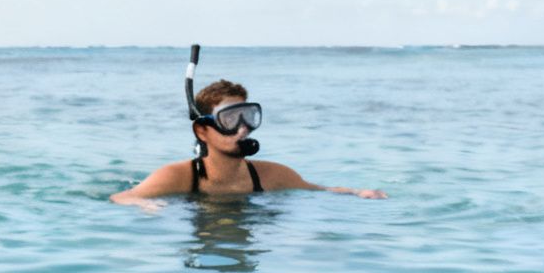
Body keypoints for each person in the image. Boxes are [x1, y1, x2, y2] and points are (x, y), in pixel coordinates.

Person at [111, 78, 387, 204]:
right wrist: (143, 203)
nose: (242, 129)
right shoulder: (178, 176)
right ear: (203, 131)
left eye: (248, 117)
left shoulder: (273, 174)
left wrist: (357, 192)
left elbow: (317, 190)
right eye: (230, 119)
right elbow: (120, 197)